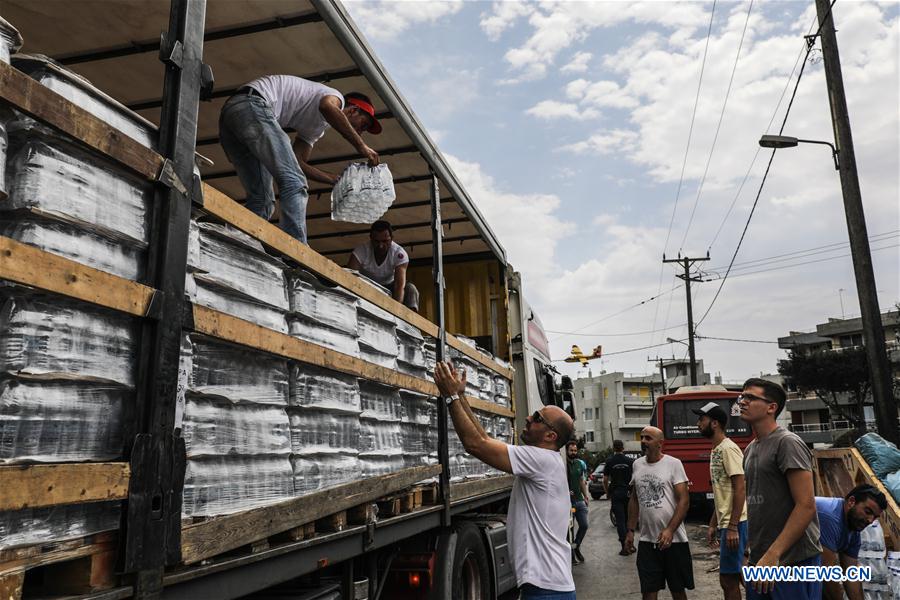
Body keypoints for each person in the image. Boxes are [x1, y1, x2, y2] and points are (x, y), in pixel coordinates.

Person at [432, 361, 576, 599]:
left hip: (546, 591)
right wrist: (459, 395)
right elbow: (484, 438)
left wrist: (450, 398)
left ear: (551, 436)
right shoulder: (545, 461)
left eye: (538, 418)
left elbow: (475, 445)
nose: (529, 418)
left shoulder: (541, 461)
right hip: (547, 587)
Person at [219, 74, 381, 244]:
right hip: (252, 103)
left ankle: (232, 242)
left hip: (232, 115)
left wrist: (336, 180)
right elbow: (327, 106)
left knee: (263, 201)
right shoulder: (334, 97)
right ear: (353, 110)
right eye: (363, 125)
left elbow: (298, 162)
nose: (361, 131)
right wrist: (361, 146)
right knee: (295, 182)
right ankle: (296, 250)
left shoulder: (316, 128)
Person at [739, 378, 821, 599]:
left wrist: (773, 555)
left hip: (792, 562)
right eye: (742, 396)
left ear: (771, 407)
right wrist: (749, 552)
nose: (743, 402)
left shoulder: (787, 443)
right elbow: (758, 505)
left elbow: (806, 505)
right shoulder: (749, 450)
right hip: (761, 562)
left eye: (750, 397)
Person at [625, 427, 693, 600]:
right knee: (648, 592)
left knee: (677, 590)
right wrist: (630, 531)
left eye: (648, 438)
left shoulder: (673, 464)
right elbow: (634, 499)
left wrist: (670, 529)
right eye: (642, 437)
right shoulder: (637, 464)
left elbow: (684, 501)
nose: (644, 441)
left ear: (660, 443)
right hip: (647, 541)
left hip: (674, 541)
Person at [694, 402, 748, 600]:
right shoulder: (716, 449)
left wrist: (732, 526)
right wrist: (712, 523)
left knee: (728, 579)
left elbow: (740, 487)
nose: (698, 423)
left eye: (702, 419)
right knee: (740, 574)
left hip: (736, 523)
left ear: (715, 423)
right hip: (728, 523)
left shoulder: (728, 449)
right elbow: (722, 492)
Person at [816, 484, 887, 600]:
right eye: (868, 512)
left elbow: (851, 574)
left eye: (875, 517)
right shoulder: (830, 517)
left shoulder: (854, 529)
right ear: (851, 502)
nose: (870, 520)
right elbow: (827, 573)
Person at [348, 220, 419, 310]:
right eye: (377, 242)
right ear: (371, 238)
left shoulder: (399, 254)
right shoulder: (361, 251)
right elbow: (350, 277)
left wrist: (396, 312)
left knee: (411, 289)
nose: (381, 246)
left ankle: (411, 321)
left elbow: (399, 285)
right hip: (367, 286)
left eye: (385, 241)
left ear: (392, 238)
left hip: (390, 287)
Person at [603, 439, 635, 556]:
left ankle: (624, 547)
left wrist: (607, 492)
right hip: (628, 493)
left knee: (620, 521)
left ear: (613, 448)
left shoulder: (610, 461)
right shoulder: (630, 461)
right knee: (629, 520)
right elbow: (634, 479)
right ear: (623, 448)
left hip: (616, 493)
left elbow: (605, 479)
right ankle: (631, 545)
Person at [566, 440, 590, 564]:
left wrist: (586, 496)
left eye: (575, 450)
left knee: (584, 525)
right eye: (571, 450)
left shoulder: (579, 464)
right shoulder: (563, 464)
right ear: (566, 451)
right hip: (568, 502)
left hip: (579, 500)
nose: (574, 453)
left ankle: (577, 546)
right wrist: (565, 491)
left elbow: (581, 480)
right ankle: (571, 556)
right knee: (569, 530)